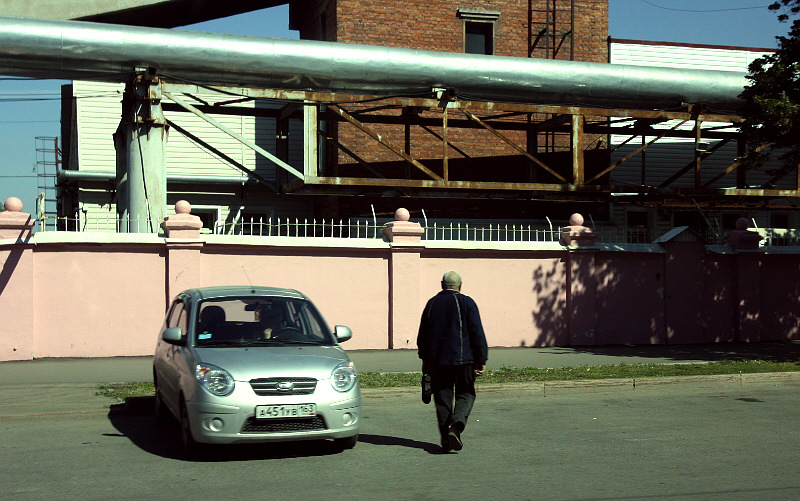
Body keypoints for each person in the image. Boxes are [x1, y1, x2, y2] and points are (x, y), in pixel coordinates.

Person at [417, 270, 488, 453]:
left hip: (438, 362)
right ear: (460, 285)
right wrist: (481, 359)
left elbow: (423, 335)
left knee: (443, 400)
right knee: (465, 394)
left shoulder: (432, 304)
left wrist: (424, 359)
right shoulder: (467, 302)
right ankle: (455, 428)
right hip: (464, 360)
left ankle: (446, 441)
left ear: (442, 284)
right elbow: (477, 332)